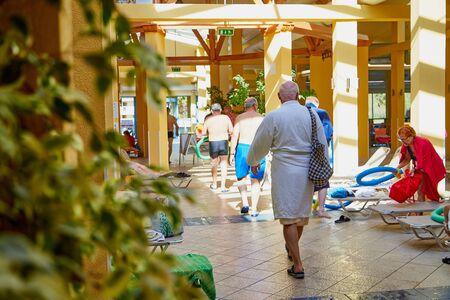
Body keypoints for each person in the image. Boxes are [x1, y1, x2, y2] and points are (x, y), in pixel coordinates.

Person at [247, 81, 328, 279]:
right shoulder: (311, 114)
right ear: (299, 95)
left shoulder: (274, 116)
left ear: (279, 97)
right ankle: (293, 251)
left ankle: (298, 265)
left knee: (288, 218)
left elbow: (261, 141)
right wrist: (324, 166)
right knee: (299, 216)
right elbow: (322, 143)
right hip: (306, 170)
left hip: (284, 170)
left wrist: (253, 160)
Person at [230, 97, 265, 216]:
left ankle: (245, 203)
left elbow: (234, 135)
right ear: (255, 105)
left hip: (242, 148)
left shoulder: (240, 118)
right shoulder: (261, 118)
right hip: (257, 148)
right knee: (255, 180)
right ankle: (254, 210)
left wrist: (232, 153)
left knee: (241, 177)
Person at [396, 125, 445, 201]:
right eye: (401, 140)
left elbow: (425, 161)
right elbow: (406, 160)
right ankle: (420, 211)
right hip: (420, 166)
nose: (403, 142)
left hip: (433, 166)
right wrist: (397, 168)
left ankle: (433, 206)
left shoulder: (423, 143)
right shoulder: (406, 145)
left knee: (431, 189)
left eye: (404, 139)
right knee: (420, 189)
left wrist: (414, 170)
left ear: (411, 136)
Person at [305, 96, 333, 219]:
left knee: (305, 181)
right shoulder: (322, 113)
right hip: (318, 152)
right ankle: (321, 209)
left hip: (302, 152)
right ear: (317, 103)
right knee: (323, 181)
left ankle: (305, 209)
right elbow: (328, 133)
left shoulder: (301, 113)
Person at [202, 103, 233, 192]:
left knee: (214, 164)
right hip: (223, 142)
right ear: (220, 110)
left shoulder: (208, 119)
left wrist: (210, 133)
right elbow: (231, 130)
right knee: (223, 164)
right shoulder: (226, 118)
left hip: (213, 143)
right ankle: (223, 187)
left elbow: (203, 133)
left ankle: (215, 184)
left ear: (211, 111)